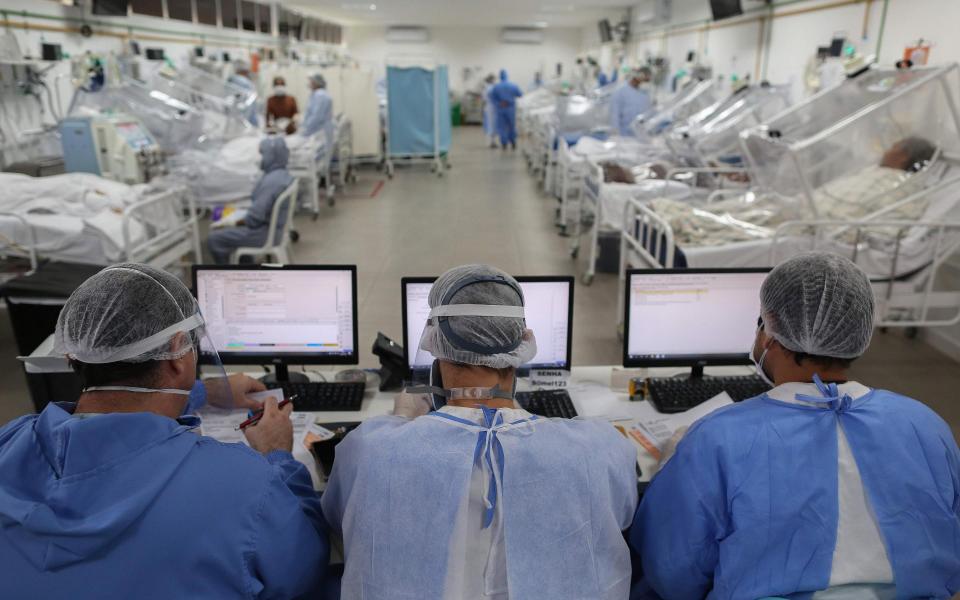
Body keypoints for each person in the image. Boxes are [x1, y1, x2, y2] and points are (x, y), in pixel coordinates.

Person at [631, 253, 960, 598]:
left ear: (768, 335)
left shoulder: (715, 440)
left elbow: (672, 571)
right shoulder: (925, 425)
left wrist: (677, 460)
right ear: (858, 332)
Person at [0, 263, 330, 598]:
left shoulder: (9, 442)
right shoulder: (248, 485)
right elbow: (305, 570)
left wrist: (206, 392)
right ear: (177, 352)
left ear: (77, 351)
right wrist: (279, 456)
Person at [322, 264, 638, 599]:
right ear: (521, 348)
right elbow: (625, 511)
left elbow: (336, 519)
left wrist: (399, 423)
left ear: (436, 347)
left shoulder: (369, 450)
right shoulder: (600, 449)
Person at [208, 136, 294, 264]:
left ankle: (227, 276)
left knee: (215, 239)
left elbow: (255, 218)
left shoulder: (271, 182)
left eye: (262, 153)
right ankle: (246, 265)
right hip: (275, 230)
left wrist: (235, 222)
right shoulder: (281, 174)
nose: (260, 158)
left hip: (263, 234)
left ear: (271, 155)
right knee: (218, 214)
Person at [609, 67, 652, 136]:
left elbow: (647, 114)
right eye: (645, 79)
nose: (646, 82)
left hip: (639, 135)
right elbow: (614, 114)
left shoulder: (644, 94)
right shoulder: (621, 92)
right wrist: (615, 132)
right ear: (639, 76)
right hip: (623, 134)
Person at [490, 69, 523, 150]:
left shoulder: (496, 87)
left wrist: (499, 103)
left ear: (500, 76)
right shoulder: (513, 85)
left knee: (502, 127)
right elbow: (520, 94)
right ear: (507, 75)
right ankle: (513, 142)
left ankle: (504, 143)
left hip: (501, 108)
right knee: (511, 126)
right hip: (510, 108)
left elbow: (492, 98)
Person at [301, 72, 334, 147]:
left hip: (320, 132)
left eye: (311, 81)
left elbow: (316, 116)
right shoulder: (317, 94)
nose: (309, 83)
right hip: (319, 131)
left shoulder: (320, 95)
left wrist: (306, 130)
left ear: (316, 82)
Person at [228, 60, 259, 126]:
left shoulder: (232, 80)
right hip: (243, 120)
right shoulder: (245, 83)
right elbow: (250, 107)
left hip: (233, 119)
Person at [482, 74, 498, 148]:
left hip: (489, 107)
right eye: (493, 79)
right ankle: (491, 142)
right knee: (492, 124)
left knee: (490, 124)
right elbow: (488, 97)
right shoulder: (490, 88)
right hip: (491, 107)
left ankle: (492, 142)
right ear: (491, 80)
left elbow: (484, 99)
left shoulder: (487, 87)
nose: (495, 81)